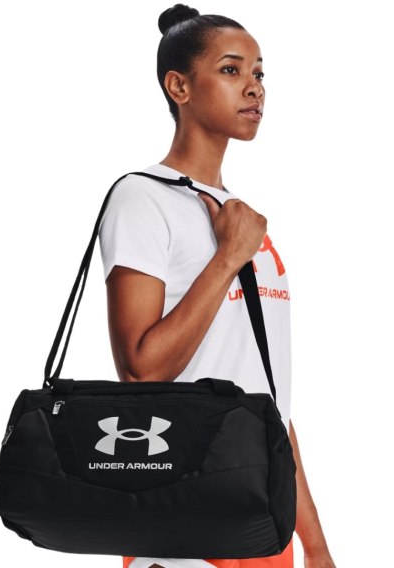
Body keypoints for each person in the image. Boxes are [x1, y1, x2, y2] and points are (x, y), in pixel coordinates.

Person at [97, 4, 336, 568]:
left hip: (263, 521)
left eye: (259, 72)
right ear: (178, 86)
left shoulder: (240, 218)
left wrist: (316, 545)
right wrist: (229, 256)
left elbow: (269, 404)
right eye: (231, 70)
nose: (254, 87)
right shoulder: (142, 198)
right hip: (183, 519)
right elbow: (140, 371)